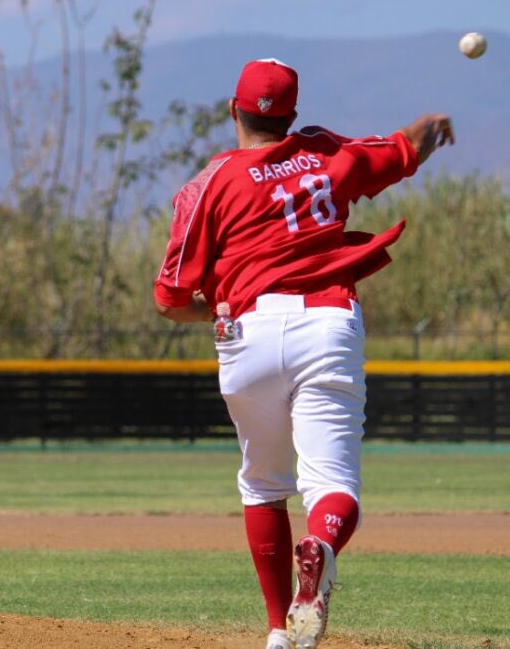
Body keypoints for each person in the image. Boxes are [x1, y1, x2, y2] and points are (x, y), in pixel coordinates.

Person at [152, 59, 454, 649]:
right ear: (293, 116)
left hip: (249, 331)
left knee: (262, 483)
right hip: (328, 323)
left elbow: (169, 299)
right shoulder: (324, 153)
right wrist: (429, 126)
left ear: (231, 111)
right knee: (333, 486)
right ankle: (320, 548)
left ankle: (276, 632)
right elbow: (398, 151)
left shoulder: (208, 184)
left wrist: (214, 308)